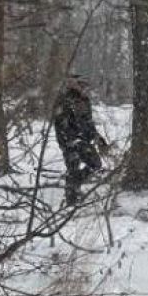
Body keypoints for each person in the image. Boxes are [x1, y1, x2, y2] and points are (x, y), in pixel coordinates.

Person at [52, 74, 106, 206]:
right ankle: (71, 199)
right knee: (73, 167)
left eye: (85, 85)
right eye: (81, 84)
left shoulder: (85, 100)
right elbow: (61, 124)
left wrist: (97, 137)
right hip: (69, 142)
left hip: (83, 141)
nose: (84, 88)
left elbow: (88, 122)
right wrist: (71, 140)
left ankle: (75, 186)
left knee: (95, 164)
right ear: (72, 84)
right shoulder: (64, 100)